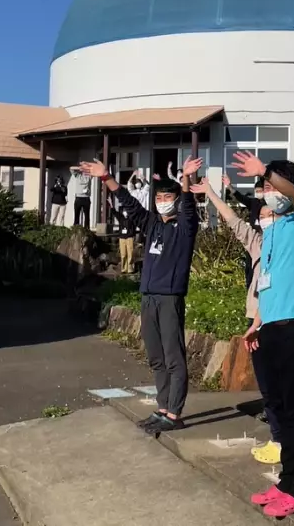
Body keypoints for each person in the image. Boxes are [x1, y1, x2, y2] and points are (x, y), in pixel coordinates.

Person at [81, 154, 203, 434]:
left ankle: (174, 413)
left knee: (174, 357)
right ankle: (162, 408)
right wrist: (106, 177)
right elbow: (131, 206)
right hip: (148, 297)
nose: (162, 202)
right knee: (156, 357)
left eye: (166, 197)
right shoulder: (153, 225)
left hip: (170, 298)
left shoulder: (184, 228)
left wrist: (184, 180)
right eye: (158, 198)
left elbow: (186, 207)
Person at [230, 151, 294, 519]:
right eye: (264, 187)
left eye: (271, 186)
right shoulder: (270, 232)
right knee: (281, 412)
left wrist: (266, 170)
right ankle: (286, 482)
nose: (268, 192)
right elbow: (268, 285)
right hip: (271, 328)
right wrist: (258, 322)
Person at [189, 176, 283, 465]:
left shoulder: (288, 245)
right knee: (267, 386)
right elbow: (233, 220)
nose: (265, 220)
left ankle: (284, 441)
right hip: (255, 325)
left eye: (271, 215)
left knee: (282, 387)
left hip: (278, 322)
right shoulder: (257, 242)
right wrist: (211, 194)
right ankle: (278, 438)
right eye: (262, 216)